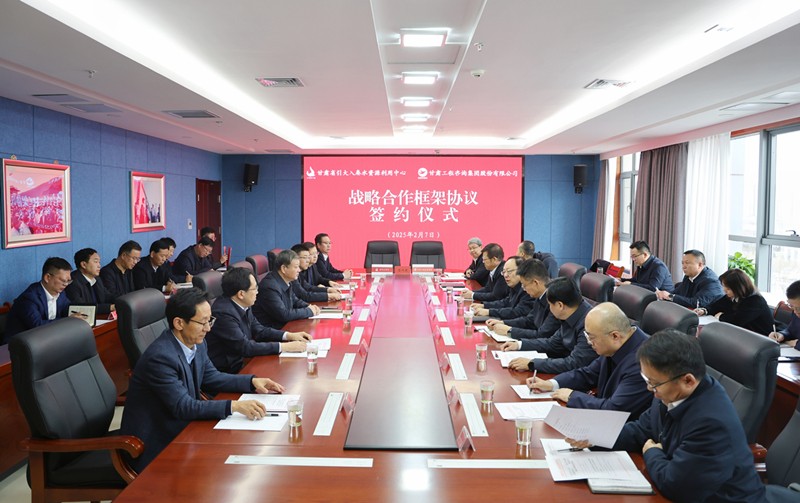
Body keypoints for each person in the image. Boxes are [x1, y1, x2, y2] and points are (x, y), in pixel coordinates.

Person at [572, 329, 767, 501]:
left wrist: (652, 452)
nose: (649, 389)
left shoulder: (711, 424)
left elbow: (676, 486)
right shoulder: (669, 390)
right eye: (647, 380)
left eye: (653, 383)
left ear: (688, 381)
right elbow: (641, 429)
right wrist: (595, 437)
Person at [120, 288, 286, 472]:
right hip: (155, 442)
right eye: (202, 322)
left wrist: (252, 382)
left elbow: (211, 377)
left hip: (184, 429)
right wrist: (234, 406)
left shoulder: (196, 343)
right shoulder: (160, 358)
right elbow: (184, 406)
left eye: (210, 320)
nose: (208, 328)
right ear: (179, 323)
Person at [527, 302, 651, 419]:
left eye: (591, 337)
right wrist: (552, 384)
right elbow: (588, 374)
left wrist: (572, 396)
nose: (589, 342)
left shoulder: (643, 362)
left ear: (615, 336)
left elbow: (614, 409)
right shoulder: (617, 344)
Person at [206, 267, 310, 373]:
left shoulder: (243, 303)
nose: (257, 292)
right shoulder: (223, 313)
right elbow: (245, 347)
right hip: (231, 370)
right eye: (254, 288)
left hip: (245, 360)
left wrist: (289, 335)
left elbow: (260, 331)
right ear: (241, 294)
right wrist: (284, 347)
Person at [504, 276, 596, 374]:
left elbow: (574, 363)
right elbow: (552, 343)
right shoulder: (570, 312)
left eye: (550, 304)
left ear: (560, 305)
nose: (549, 308)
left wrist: (532, 364)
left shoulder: (590, 324)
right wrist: (519, 345)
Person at [5, 257, 83, 341]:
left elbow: (67, 309)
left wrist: (82, 314)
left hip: (46, 339)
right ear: (47, 277)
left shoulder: (60, 293)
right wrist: (68, 320)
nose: (66, 284)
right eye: (63, 281)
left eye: (69, 281)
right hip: (19, 344)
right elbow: (37, 326)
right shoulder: (29, 298)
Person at [491, 258, 560, 343]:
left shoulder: (555, 300)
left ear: (535, 283)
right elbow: (529, 320)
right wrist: (503, 323)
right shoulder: (539, 295)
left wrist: (510, 331)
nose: (523, 289)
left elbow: (542, 334)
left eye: (524, 285)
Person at [253, 249, 321, 329]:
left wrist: (309, 306)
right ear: (283, 269)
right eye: (296, 267)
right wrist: (309, 311)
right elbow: (283, 314)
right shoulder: (269, 287)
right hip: (273, 330)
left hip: (285, 326)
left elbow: (295, 301)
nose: (299, 270)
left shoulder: (286, 280)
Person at [696, 268, 774, 335]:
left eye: (728, 289)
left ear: (739, 288)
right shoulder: (733, 296)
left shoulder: (755, 301)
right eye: (724, 286)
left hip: (760, 338)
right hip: (742, 334)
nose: (724, 290)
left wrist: (720, 316)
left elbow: (737, 321)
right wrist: (704, 310)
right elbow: (716, 306)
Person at [470, 256, 535, 320]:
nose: (505, 275)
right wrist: (483, 305)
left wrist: (489, 312)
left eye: (509, 271)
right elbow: (506, 302)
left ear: (521, 271)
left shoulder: (528, 289)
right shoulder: (514, 285)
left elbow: (517, 312)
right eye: (504, 272)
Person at [655, 249, 724, 308]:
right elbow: (678, 293)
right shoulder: (688, 276)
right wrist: (662, 295)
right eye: (682, 263)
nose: (684, 266)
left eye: (687, 263)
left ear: (700, 265)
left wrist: (670, 296)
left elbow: (697, 303)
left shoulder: (710, 281)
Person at [65, 248, 115, 315]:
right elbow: (82, 308)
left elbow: (107, 296)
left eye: (99, 262)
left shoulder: (97, 279)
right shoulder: (73, 283)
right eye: (96, 262)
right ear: (84, 265)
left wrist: (121, 301)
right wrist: (110, 307)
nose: (99, 265)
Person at [770, 280, 800, 347]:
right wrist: (782, 335)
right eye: (791, 306)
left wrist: (796, 344)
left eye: (798, 308)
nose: (795, 312)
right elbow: (791, 330)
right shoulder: (795, 312)